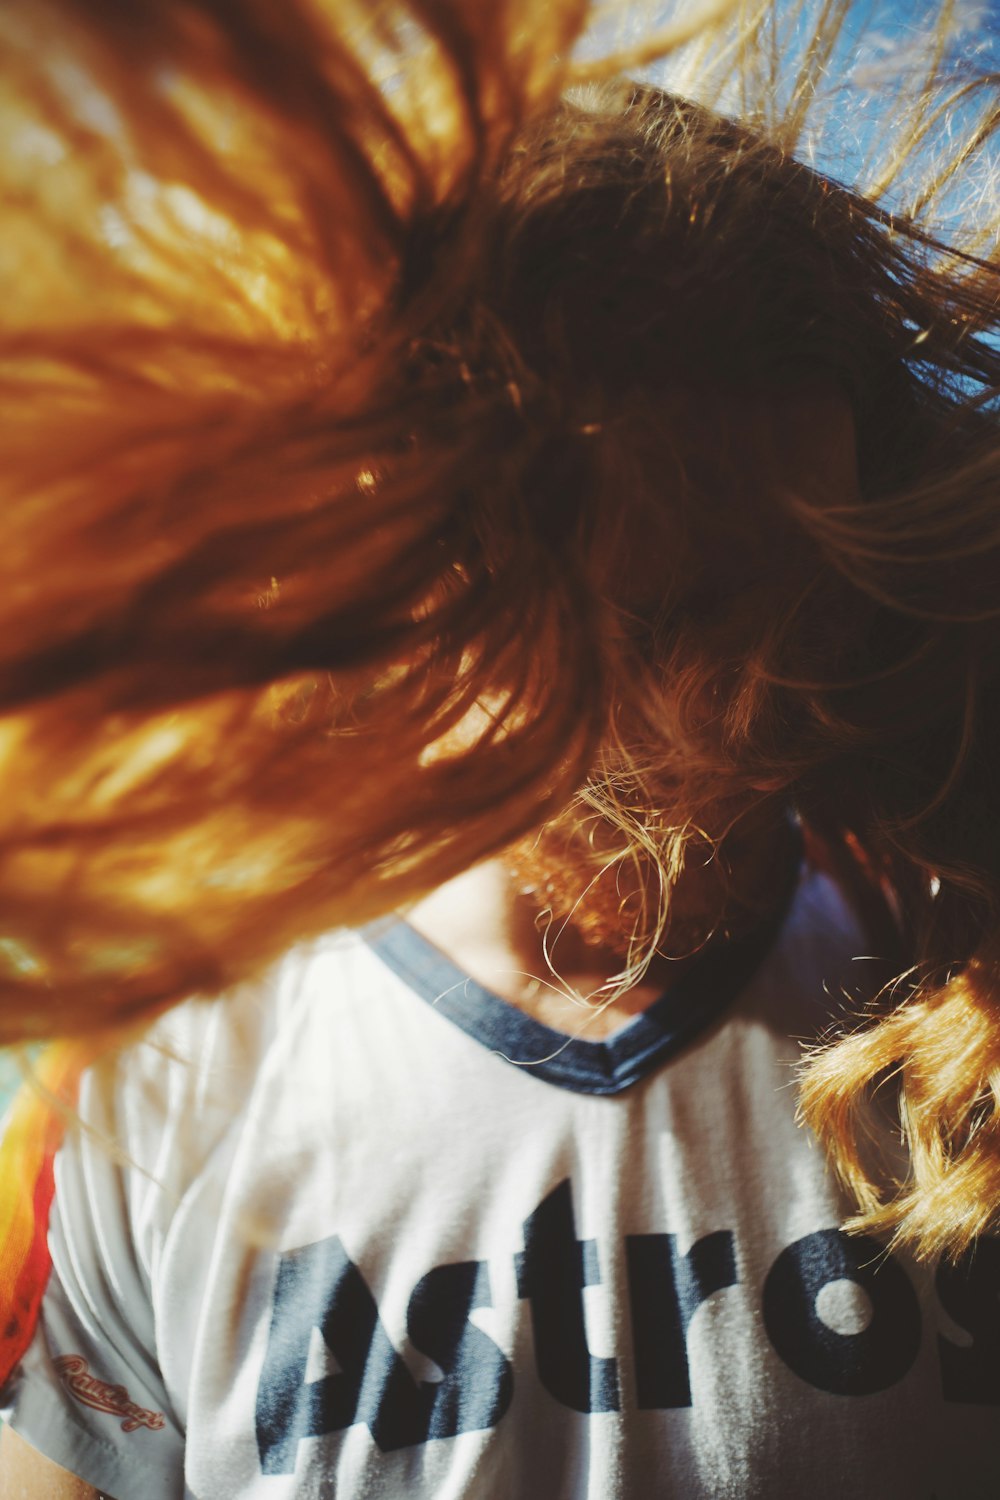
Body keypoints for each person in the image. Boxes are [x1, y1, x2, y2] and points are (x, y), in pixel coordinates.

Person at [1, 0, 1000, 1494]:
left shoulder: (950, 988)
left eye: (808, 613)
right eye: (664, 622)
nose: (756, 707)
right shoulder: (160, 1081)